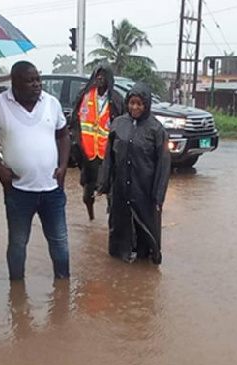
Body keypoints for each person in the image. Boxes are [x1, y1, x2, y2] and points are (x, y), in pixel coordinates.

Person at [0, 61, 71, 281]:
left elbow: (63, 134)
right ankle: (16, 290)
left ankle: (63, 286)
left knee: (60, 240)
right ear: (15, 84)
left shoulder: (51, 103)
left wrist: (63, 166)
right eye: (30, 80)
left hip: (52, 189)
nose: (37, 84)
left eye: (38, 79)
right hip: (18, 190)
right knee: (18, 242)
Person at [98, 82, 171, 264]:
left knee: (146, 228)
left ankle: (145, 259)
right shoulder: (118, 124)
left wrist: (158, 197)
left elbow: (163, 165)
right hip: (121, 187)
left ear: (146, 105)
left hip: (144, 188)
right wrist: (103, 184)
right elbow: (109, 157)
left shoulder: (156, 130)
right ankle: (119, 258)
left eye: (139, 104)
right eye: (132, 103)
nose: (135, 107)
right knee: (119, 225)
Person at [69, 64, 124, 220]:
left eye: (103, 75)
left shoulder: (116, 99)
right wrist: (75, 143)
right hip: (88, 153)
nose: (100, 78)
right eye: (97, 75)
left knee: (111, 190)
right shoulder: (84, 96)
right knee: (88, 190)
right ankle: (91, 219)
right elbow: (74, 121)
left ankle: (111, 221)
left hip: (108, 153)